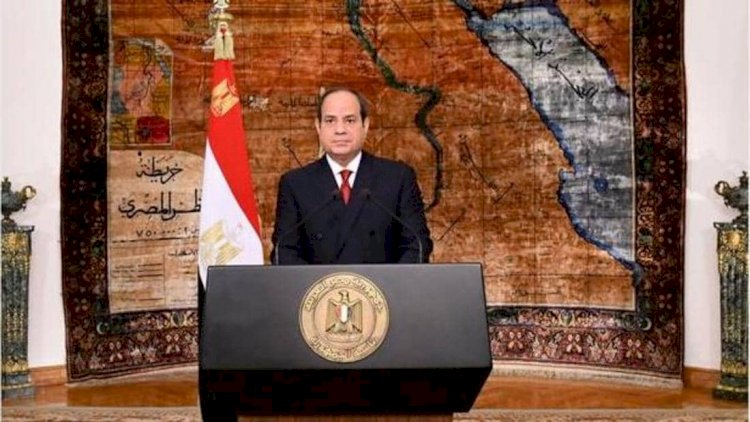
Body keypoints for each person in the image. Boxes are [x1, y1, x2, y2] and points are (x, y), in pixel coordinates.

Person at [271, 87, 433, 265]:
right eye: (330, 121)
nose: (340, 130)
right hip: (320, 284)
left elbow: (417, 246)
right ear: (318, 127)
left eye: (349, 120)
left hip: (383, 283)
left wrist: (389, 282)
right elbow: (284, 252)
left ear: (365, 125)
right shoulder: (295, 184)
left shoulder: (397, 178)